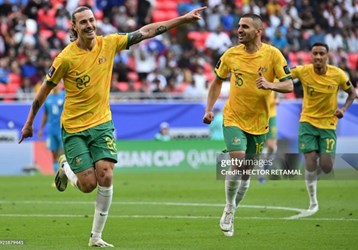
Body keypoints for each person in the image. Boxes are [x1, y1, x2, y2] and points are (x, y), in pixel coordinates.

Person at [18, 5, 206, 247]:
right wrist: (29, 123)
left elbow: (146, 32)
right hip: (74, 127)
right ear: (74, 27)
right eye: (83, 22)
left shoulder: (109, 43)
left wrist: (181, 20)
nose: (89, 25)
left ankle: (96, 237)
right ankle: (65, 167)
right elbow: (44, 90)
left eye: (91, 20)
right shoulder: (65, 58)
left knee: (105, 174)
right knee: (87, 185)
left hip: (102, 123)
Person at [203, 13, 293, 237]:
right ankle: (229, 208)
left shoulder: (273, 54)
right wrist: (209, 109)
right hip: (233, 117)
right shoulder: (231, 55)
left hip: (260, 123)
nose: (239, 30)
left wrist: (270, 84)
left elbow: (289, 85)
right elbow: (216, 82)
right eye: (239, 26)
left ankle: (234, 207)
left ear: (258, 31)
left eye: (245, 26)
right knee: (238, 162)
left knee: (246, 174)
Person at [291, 42, 356, 214]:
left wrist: (342, 109)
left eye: (321, 53)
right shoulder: (303, 71)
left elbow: (352, 94)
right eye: (315, 54)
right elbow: (283, 75)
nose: (318, 57)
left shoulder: (338, 74)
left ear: (327, 56)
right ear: (310, 56)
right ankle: (313, 202)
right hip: (307, 122)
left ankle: (313, 179)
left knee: (327, 167)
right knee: (311, 163)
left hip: (328, 124)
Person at [37, 83, 65, 175]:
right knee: (54, 154)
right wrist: (41, 128)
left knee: (63, 153)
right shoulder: (48, 98)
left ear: (60, 84)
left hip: (62, 129)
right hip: (51, 129)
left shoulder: (65, 95)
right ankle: (57, 176)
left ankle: (66, 175)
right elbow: (45, 114)